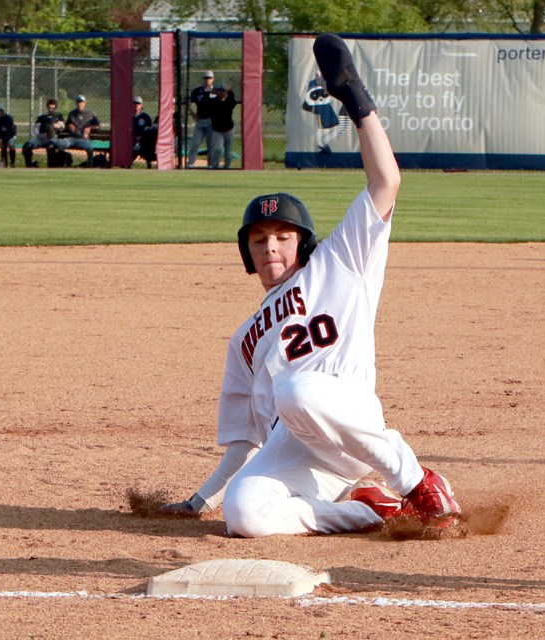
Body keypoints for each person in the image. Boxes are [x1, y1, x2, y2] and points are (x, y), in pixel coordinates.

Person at [162, 34, 462, 537]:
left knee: (298, 389)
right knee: (245, 513)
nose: (271, 247)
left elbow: (385, 181)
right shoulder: (246, 338)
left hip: (347, 415)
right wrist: (199, 502)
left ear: (302, 243)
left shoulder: (339, 261)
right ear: (246, 251)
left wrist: (357, 102)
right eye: (259, 239)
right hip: (300, 448)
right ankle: (374, 510)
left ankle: (416, 482)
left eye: (282, 236)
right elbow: (246, 441)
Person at [22, 99, 68, 167]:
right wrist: (40, 134)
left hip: (52, 137)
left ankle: (51, 166)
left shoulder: (58, 116)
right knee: (26, 146)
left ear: (55, 108)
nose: (51, 109)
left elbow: (61, 127)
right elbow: (36, 128)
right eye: (50, 107)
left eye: (53, 108)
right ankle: (29, 165)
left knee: (50, 147)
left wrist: (52, 126)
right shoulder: (42, 117)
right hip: (40, 137)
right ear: (47, 107)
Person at [187, 70, 217, 168]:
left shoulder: (217, 91)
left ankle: (211, 164)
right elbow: (189, 103)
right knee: (195, 143)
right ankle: (190, 163)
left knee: (211, 144)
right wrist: (192, 114)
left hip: (212, 121)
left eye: (209, 78)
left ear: (213, 79)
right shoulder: (197, 91)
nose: (207, 80)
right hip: (200, 121)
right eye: (206, 78)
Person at [208, 84, 238, 169]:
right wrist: (214, 92)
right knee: (218, 148)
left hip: (228, 129)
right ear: (216, 92)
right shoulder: (213, 102)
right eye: (219, 90)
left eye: (223, 91)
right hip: (217, 129)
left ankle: (227, 166)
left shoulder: (229, 102)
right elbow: (209, 98)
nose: (221, 92)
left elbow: (232, 100)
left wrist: (230, 91)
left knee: (228, 149)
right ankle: (215, 165)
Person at [66, 94, 100, 167]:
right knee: (60, 144)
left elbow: (97, 126)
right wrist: (69, 126)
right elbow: (67, 124)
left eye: (81, 102)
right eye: (78, 102)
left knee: (90, 147)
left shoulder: (90, 114)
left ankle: (90, 164)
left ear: (85, 103)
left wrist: (89, 128)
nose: (79, 104)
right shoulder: (72, 113)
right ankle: (61, 162)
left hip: (83, 139)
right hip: (72, 138)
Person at [132, 96, 157, 168]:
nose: (136, 105)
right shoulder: (127, 116)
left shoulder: (145, 117)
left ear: (141, 105)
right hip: (130, 140)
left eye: (138, 104)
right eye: (134, 103)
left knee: (139, 147)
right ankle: (126, 164)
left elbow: (149, 130)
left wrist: (140, 138)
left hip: (142, 141)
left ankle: (148, 161)